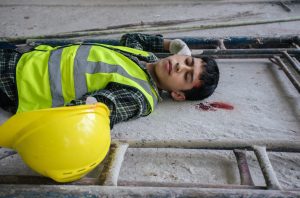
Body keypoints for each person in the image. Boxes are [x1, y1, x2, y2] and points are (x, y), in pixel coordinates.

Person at [0, 33, 219, 128]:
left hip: (17, 85)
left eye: (186, 76)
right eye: (188, 60)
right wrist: (173, 45)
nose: (180, 66)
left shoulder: (140, 97)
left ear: (178, 94)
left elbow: (94, 110)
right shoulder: (145, 58)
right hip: (25, 57)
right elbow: (132, 39)